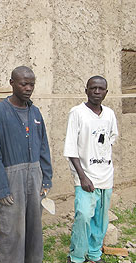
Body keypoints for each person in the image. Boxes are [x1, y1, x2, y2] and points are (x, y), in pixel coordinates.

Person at [0, 66, 53, 263]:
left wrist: (46, 180)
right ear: (12, 83)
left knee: (34, 229)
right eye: (24, 83)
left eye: (31, 84)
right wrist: (1, 189)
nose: (28, 88)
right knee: (11, 231)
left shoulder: (35, 112)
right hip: (10, 179)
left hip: (35, 177)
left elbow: (44, 147)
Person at [64, 76, 118, 263]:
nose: (97, 92)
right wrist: (83, 176)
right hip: (85, 178)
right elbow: (71, 149)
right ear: (85, 90)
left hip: (106, 177)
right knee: (84, 216)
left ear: (106, 92)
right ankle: (77, 256)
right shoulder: (77, 113)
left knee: (100, 221)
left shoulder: (109, 114)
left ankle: (94, 254)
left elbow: (111, 139)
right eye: (93, 88)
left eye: (101, 89)